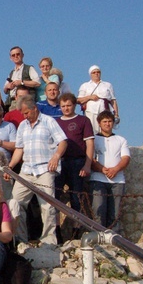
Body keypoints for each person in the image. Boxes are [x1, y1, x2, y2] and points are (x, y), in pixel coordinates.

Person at [7, 98, 68, 245]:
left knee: (47, 206)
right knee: (15, 202)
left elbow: (63, 142)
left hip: (45, 169)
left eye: (27, 112)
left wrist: (56, 157)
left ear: (34, 108)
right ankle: (20, 239)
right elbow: (19, 149)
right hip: (26, 170)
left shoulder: (49, 121)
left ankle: (49, 240)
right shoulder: (22, 125)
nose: (25, 116)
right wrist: (10, 166)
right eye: (23, 114)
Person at [56, 93, 94, 234]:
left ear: (75, 105)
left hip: (77, 162)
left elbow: (89, 144)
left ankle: (76, 229)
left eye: (69, 105)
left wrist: (87, 165)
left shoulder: (83, 120)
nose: (66, 108)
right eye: (63, 106)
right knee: (55, 197)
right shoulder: (56, 122)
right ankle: (56, 229)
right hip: (60, 162)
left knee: (76, 197)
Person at [89, 111, 130, 232]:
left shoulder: (121, 140)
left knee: (115, 213)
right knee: (98, 210)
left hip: (117, 180)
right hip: (98, 179)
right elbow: (90, 158)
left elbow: (126, 158)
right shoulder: (94, 139)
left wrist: (116, 169)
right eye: (104, 122)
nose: (107, 124)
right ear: (99, 123)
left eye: (109, 121)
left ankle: (114, 240)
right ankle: (98, 237)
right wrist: (102, 169)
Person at [77, 65, 120, 134]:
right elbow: (78, 100)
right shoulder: (85, 85)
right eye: (94, 72)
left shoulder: (108, 85)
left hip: (105, 111)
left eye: (98, 72)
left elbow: (113, 100)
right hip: (91, 112)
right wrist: (89, 97)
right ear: (90, 74)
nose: (96, 74)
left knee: (106, 130)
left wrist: (116, 114)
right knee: (92, 130)